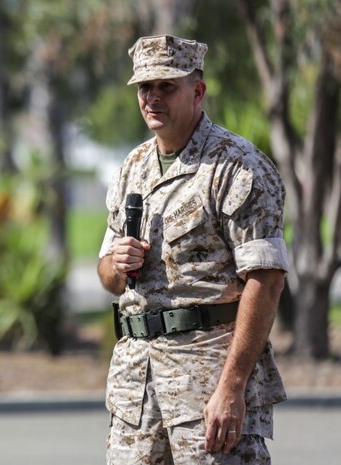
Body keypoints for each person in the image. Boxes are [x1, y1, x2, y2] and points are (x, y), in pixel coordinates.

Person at [97, 34, 289, 464]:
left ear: (197, 91)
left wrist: (232, 387)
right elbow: (109, 278)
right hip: (136, 393)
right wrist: (116, 262)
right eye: (145, 87)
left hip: (206, 387)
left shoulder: (238, 167)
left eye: (167, 86)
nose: (152, 98)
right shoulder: (132, 167)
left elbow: (266, 280)